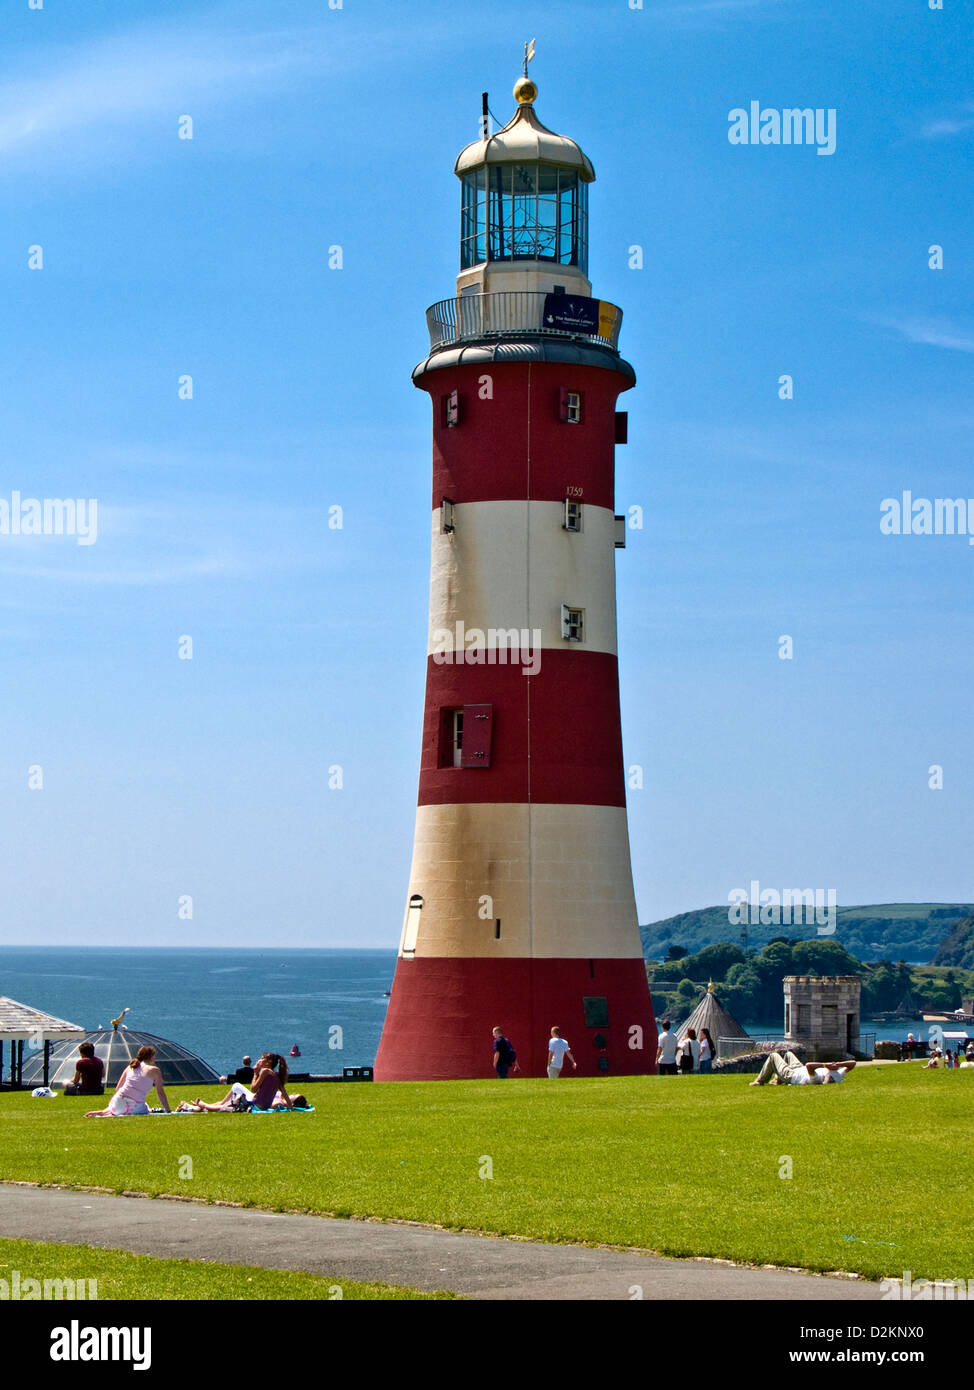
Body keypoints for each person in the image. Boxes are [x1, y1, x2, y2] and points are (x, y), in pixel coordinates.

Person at [85, 1045, 171, 1116]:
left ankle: (106, 1112)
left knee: (139, 1106)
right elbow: (160, 1092)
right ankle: (111, 1112)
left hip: (117, 1102)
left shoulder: (131, 1066)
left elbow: (118, 1088)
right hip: (133, 1105)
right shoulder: (154, 1070)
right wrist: (168, 1110)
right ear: (151, 1056)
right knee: (146, 1108)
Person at [194, 1053, 293, 1112]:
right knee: (231, 1096)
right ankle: (213, 1104)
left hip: (255, 1104)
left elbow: (253, 1089)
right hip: (264, 1106)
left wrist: (255, 1073)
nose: (260, 1060)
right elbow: (285, 1094)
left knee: (236, 1086)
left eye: (262, 1058)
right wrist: (291, 1107)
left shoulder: (265, 1071)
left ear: (268, 1062)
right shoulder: (276, 1076)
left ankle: (205, 1105)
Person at [749, 1050, 856, 1087]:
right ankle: (777, 1080)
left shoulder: (817, 1079)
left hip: (792, 1075)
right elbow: (852, 1063)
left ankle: (759, 1081)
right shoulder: (838, 1076)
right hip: (799, 1068)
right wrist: (838, 1064)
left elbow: (809, 1065)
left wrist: (825, 1065)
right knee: (788, 1054)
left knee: (773, 1056)